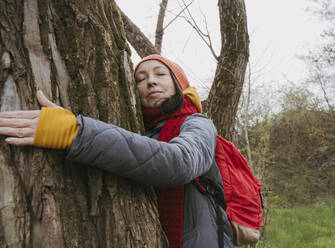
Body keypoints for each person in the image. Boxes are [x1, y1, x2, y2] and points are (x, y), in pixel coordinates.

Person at [0, 54, 234, 248]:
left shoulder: (198, 123)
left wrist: (76, 133)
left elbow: (178, 163)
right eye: (140, 79)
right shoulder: (140, 131)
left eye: (161, 74)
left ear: (180, 85)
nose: (150, 81)